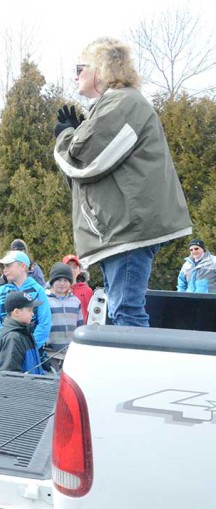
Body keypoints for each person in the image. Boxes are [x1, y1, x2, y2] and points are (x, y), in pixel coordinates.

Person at [54, 37, 192, 327]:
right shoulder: (117, 104)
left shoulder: (123, 102)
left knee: (127, 311)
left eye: (80, 68)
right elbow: (86, 177)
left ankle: (138, 373)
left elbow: (83, 161)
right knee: (122, 309)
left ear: (101, 69)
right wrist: (80, 131)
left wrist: (66, 137)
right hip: (122, 230)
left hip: (128, 232)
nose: (74, 75)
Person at [0, 251, 51, 370]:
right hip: (2, 353)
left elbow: (45, 323)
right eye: (3, 267)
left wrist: (28, 347)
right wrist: (7, 343)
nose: (4, 270)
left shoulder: (38, 290)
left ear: (23, 266)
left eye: (8, 266)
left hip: (31, 354)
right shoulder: (1, 290)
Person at [45, 263, 84, 372]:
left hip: (70, 354)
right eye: (59, 280)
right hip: (51, 354)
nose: (62, 284)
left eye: (66, 280)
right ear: (52, 282)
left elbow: (80, 327)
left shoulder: (75, 301)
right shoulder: (45, 300)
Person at [0, 291, 46, 374]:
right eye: (29, 310)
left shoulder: (24, 331)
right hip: (24, 386)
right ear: (16, 312)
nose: (32, 313)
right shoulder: (13, 337)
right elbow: (9, 373)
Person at [62, 254, 92, 322]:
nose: (72, 270)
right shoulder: (57, 291)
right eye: (68, 267)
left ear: (79, 270)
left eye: (75, 267)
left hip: (82, 330)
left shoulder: (87, 291)